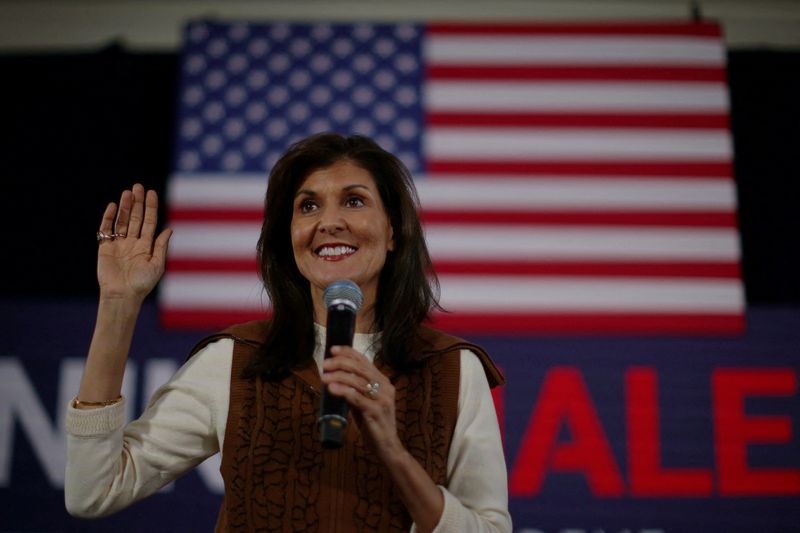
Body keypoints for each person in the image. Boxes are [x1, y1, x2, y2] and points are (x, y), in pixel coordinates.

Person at [65, 133, 512, 532]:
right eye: (308, 205)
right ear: (289, 235)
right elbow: (94, 492)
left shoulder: (453, 367)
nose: (328, 222)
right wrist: (118, 306)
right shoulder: (236, 359)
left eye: (354, 201)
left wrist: (394, 453)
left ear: (393, 231)